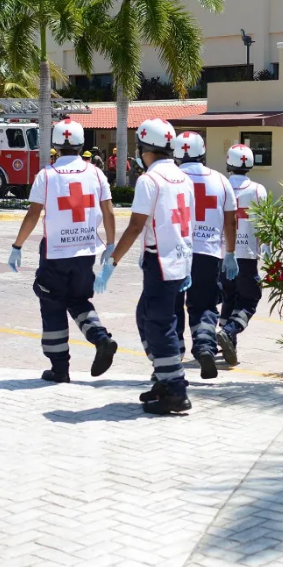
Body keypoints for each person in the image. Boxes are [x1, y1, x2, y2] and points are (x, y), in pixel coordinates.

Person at [8, 117, 118, 383]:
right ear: (81, 145)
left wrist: (17, 246)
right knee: (79, 300)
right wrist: (111, 244)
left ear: (56, 145)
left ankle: (60, 369)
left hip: (55, 254)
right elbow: (108, 210)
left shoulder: (47, 175)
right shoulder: (96, 173)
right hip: (85, 253)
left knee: (52, 303)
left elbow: (33, 214)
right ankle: (101, 338)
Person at [96, 118, 195, 415]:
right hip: (180, 259)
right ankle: (164, 379)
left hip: (160, 261)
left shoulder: (149, 180)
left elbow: (136, 225)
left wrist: (112, 261)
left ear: (146, 149)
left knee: (158, 325)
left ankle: (175, 390)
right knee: (147, 316)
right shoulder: (182, 177)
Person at [172, 131, 238, 379]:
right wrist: (229, 253)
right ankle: (205, 347)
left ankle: (173, 351)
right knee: (204, 306)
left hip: (176, 253)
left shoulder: (171, 178)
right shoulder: (221, 180)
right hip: (209, 254)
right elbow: (230, 223)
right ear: (203, 152)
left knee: (173, 304)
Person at [217, 144, 266, 367]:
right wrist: (267, 248)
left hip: (223, 253)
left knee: (229, 297)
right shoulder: (258, 190)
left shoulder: (221, 186)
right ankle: (230, 331)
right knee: (249, 299)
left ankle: (229, 344)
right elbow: (264, 223)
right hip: (247, 255)